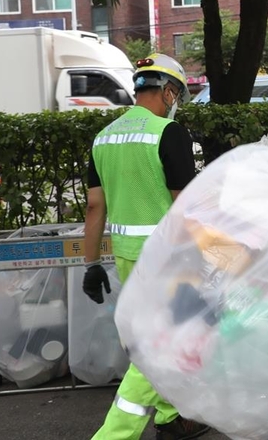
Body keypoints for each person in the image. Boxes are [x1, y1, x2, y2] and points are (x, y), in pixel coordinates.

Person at [81, 54, 208, 440]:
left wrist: (91, 264)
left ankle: (172, 416)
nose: (176, 104)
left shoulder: (104, 138)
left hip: (126, 256)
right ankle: (114, 435)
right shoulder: (169, 134)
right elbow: (185, 203)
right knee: (159, 346)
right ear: (168, 91)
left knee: (159, 336)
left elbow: (94, 206)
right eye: (177, 96)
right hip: (167, 258)